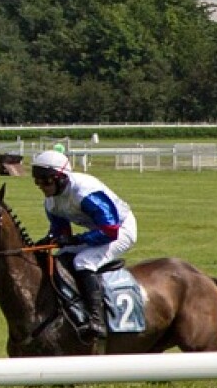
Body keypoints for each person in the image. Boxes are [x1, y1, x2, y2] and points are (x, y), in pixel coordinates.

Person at [30, 149, 137, 353]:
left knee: (83, 262)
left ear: (61, 177)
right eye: (37, 182)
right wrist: (48, 241)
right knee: (60, 258)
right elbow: (60, 231)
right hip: (99, 230)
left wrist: (76, 239)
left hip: (121, 229)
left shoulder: (85, 192)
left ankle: (97, 320)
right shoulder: (51, 201)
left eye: (45, 181)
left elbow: (109, 231)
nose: (41, 187)